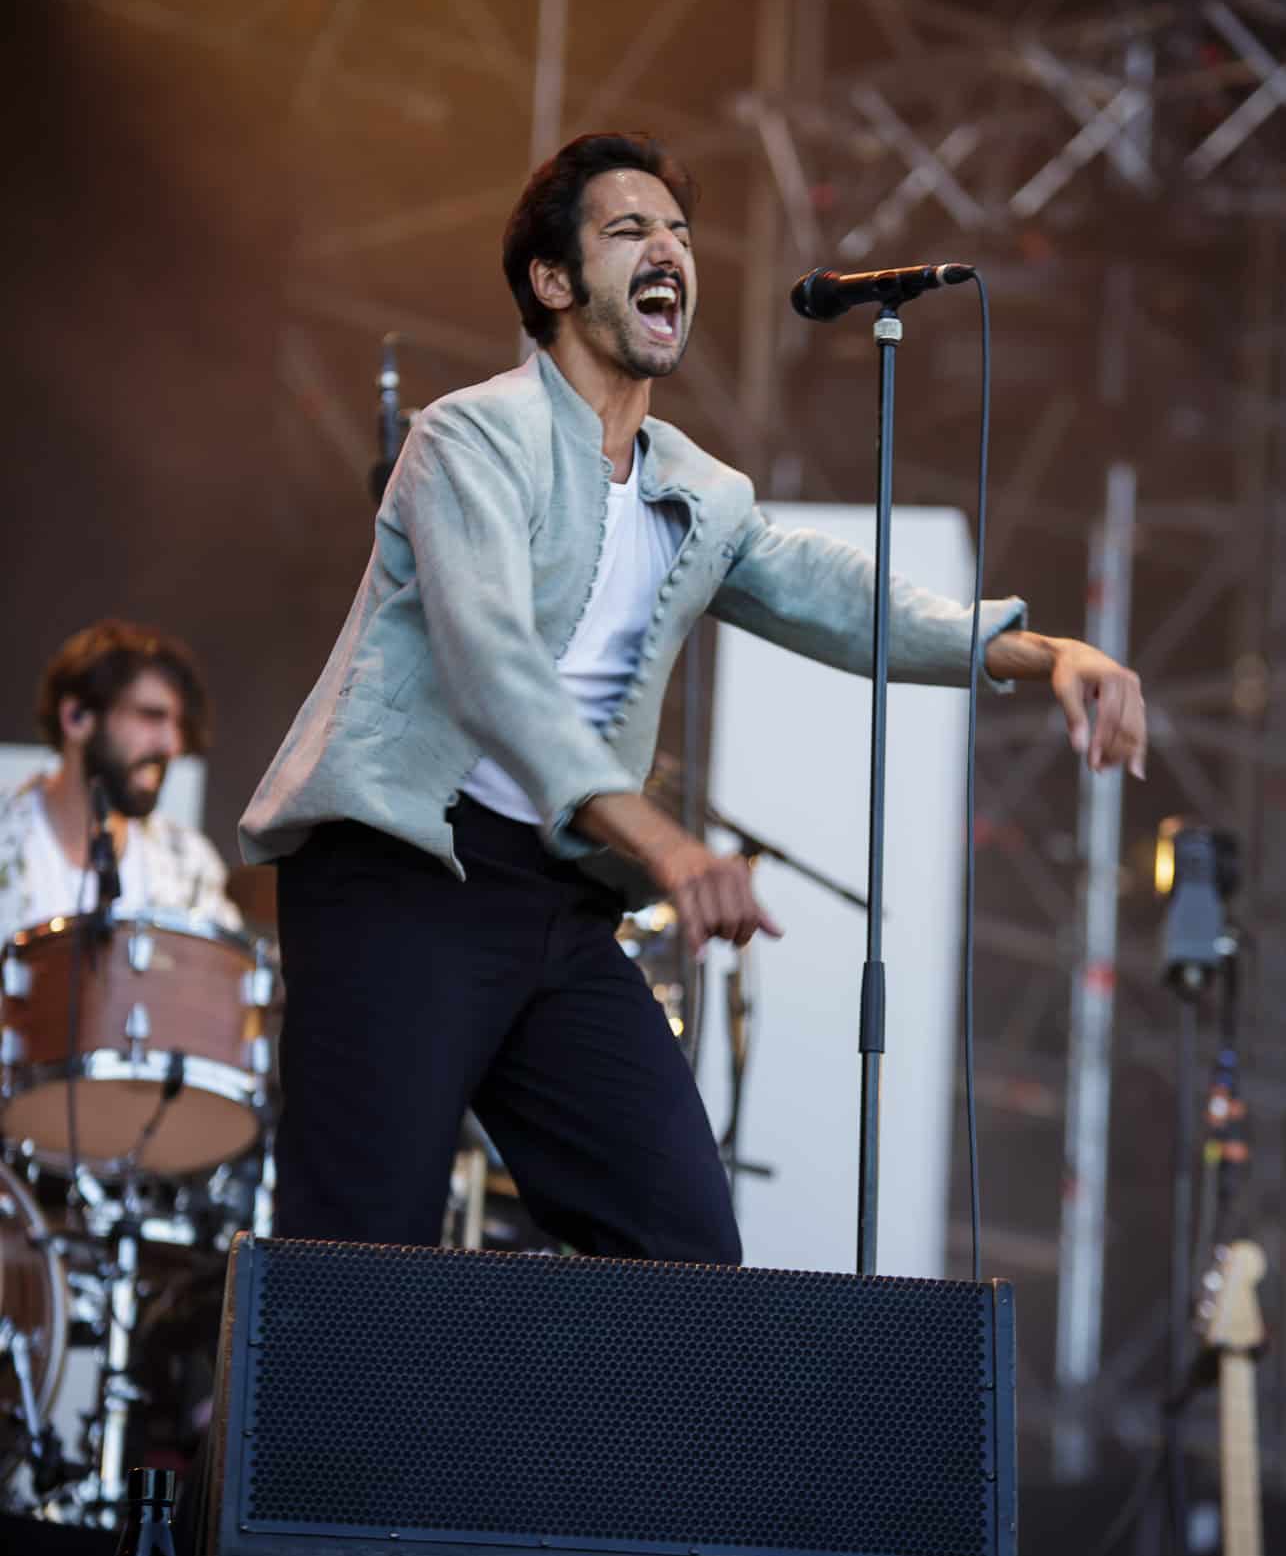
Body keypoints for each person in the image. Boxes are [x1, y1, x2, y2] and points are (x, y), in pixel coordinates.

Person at [241, 131, 1146, 1264]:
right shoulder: (467, 436)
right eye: (629, 231)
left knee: (683, 1248)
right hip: (400, 876)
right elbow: (491, 666)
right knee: (356, 1262)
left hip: (556, 900)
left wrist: (1041, 651)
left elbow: (836, 595)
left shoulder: (696, 489)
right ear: (552, 281)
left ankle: (543, 1397)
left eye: (678, 231)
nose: (668, 249)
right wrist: (664, 845)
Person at [0, 619, 240, 940]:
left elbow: (230, 968)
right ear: (76, 717)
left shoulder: (189, 864)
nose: (172, 746)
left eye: (178, 725)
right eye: (151, 715)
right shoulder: (6, 836)